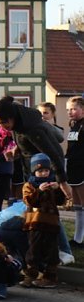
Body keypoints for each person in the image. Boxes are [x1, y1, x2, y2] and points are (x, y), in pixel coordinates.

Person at [0, 96, 72, 202]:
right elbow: (27, 142)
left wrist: (62, 182)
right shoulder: (17, 123)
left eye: (3, 122)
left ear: (11, 117)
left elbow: (52, 154)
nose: (2, 127)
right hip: (32, 172)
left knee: (41, 209)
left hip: (44, 175)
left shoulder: (32, 130)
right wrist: (17, 149)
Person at [20, 153, 66, 289]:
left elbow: (60, 201)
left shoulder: (53, 184)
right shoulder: (29, 185)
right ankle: (30, 275)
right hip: (34, 223)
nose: (43, 173)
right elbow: (30, 201)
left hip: (51, 223)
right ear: (34, 171)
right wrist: (39, 191)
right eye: (40, 171)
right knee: (33, 251)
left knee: (51, 251)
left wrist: (58, 190)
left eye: (46, 170)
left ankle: (50, 277)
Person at [65, 97, 84, 247]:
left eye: (73, 109)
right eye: (68, 109)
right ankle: (78, 238)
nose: (69, 112)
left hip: (82, 167)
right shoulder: (73, 125)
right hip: (73, 167)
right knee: (77, 204)